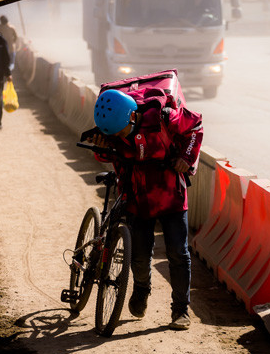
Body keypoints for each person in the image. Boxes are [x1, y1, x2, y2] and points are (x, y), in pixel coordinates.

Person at [87, 88, 203, 330]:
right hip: (137, 196)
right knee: (138, 256)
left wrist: (187, 157)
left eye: (120, 131)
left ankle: (181, 310)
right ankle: (141, 291)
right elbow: (111, 154)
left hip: (171, 194)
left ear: (132, 117)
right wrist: (101, 147)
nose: (118, 136)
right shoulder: (114, 126)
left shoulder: (165, 117)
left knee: (178, 254)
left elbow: (194, 128)